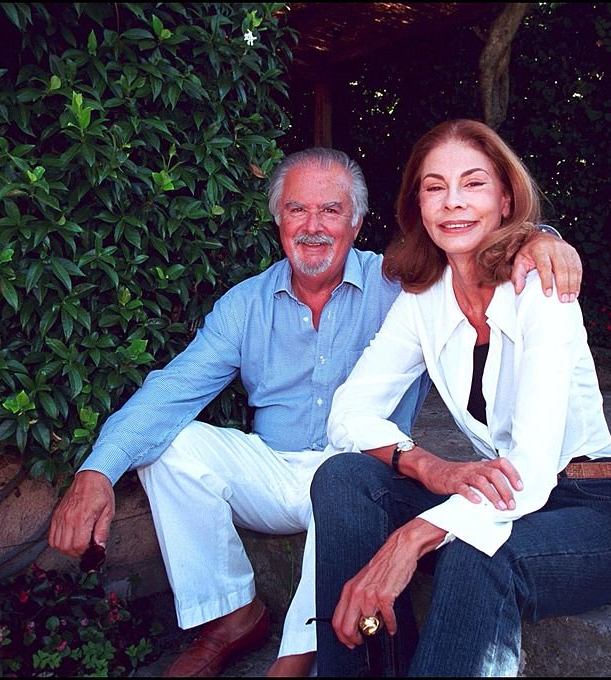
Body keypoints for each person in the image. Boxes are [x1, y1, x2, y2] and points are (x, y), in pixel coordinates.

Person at [47, 146, 583, 677]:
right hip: (272, 471)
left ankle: (298, 655)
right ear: (277, 219)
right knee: (172, 445)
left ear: (357, 222)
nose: (313, 226)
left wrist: (541, 240)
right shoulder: (246, 304)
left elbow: (470, 256)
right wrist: (98, 469)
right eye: (297, 209)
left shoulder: (401, 284)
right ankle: (231, 618)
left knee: (340, 480)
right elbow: (175, 388)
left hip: (360, 474)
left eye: (330, 210)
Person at [312, 120, 611, 676]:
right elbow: (348, 412)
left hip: (581, 511)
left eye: (474, 183)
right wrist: (427, 467)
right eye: (435, 187)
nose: (453, 202)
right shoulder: (424, 298)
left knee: (476, 550)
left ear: (506, 198)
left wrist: (410, 540)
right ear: (418, 205)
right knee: (343, 479)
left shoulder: (541, 284)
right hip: (496, 500)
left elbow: (533, 470)